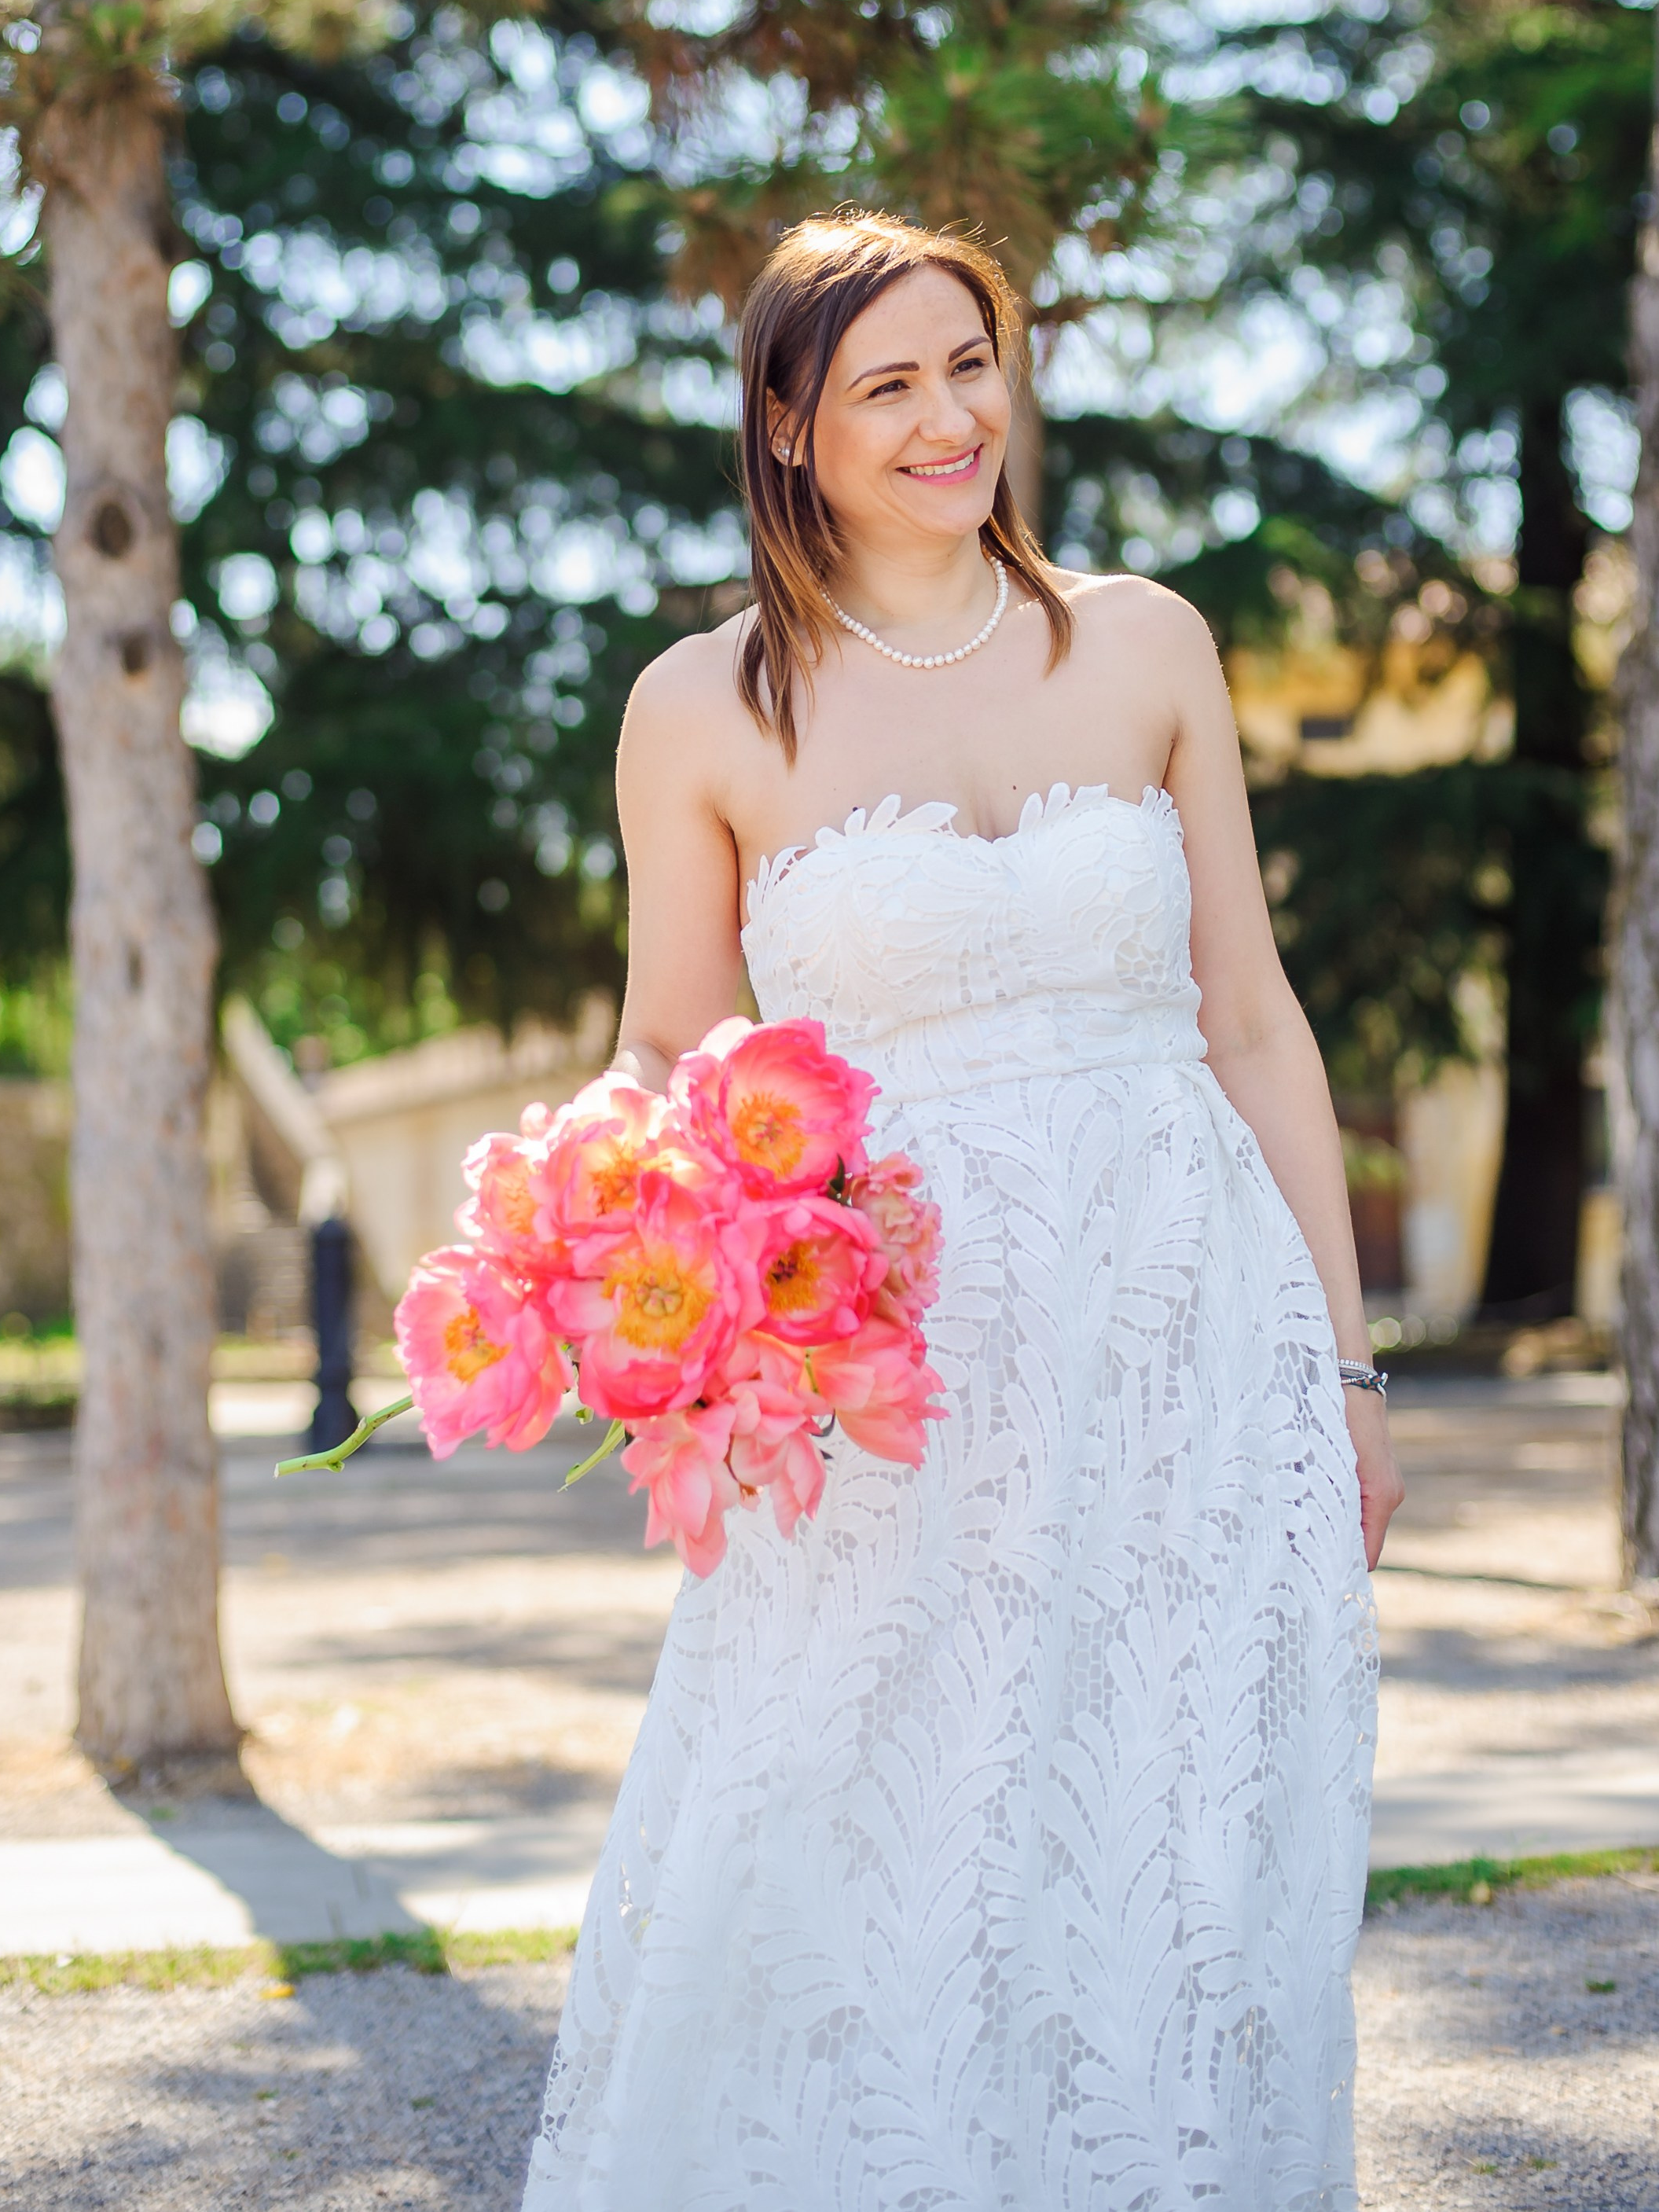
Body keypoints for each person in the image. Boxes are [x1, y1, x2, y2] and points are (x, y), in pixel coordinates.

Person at [523, 211, 1400, 2212]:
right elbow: (672, 1038)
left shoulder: (1147, 641)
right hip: (894, 1352)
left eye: (972, 363)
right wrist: (647, 1276)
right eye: (889, 383)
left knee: (1177, 1812)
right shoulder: (703, 705)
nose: (951, 418)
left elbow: (1253, 1020)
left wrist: (1343, 1369)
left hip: (1186, 1321)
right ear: (787, 426)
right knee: (860, 1815)